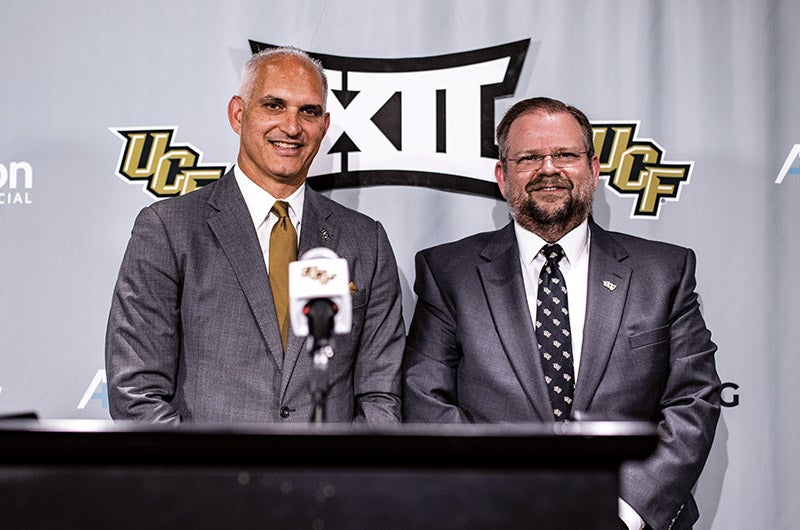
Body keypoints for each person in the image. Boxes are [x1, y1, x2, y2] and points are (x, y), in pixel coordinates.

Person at [402, 97, 720, 529]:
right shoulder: (448, 272)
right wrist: (507, 506)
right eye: (529, 157)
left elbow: (692, 399)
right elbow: (427, 400)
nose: (547, 168)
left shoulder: (665, 271)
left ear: (594, 168)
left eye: (565, 155)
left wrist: (624, 511)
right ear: (502, 175)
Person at [106, 47, 404, 424]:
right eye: (274, 106)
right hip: (208, 480)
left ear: (324, 126)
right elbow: (136, 392)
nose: (292, 127)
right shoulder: (169, 229)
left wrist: (340, 477)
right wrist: (208, 481)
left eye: (308, 111)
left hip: (329, 480)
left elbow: (381, 397)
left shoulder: (366, 242)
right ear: (238, 113)